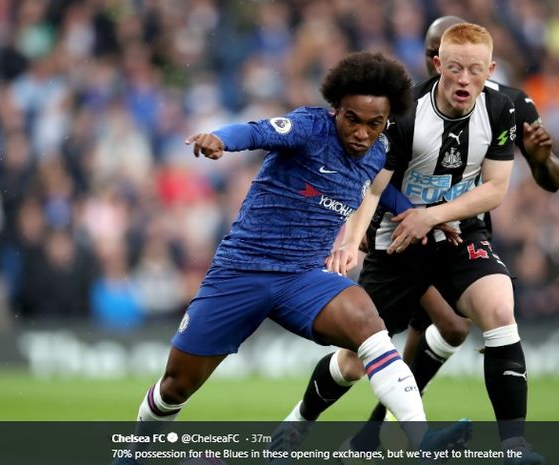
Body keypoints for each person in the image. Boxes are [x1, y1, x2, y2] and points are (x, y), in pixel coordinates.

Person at [110, 51, 469, 465]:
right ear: (337, 110)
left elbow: (377, 190)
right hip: (242, 271)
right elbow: (257, 131)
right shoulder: (309, 127)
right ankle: (135, 454)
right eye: (353, 118)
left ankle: (419, 440)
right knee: (177, 384)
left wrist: (418, 214)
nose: (361, 133)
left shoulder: (377, 151)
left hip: (303, 278)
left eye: (375, 124)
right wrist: (221, 140)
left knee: (370, 325)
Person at [280, 22, 545, 464]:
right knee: (353, 362)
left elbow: (496, 189)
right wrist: (349, 240)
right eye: (455, 68)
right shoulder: (407, 115)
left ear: (490, 69)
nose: (464, 80)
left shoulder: (502, 110)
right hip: (398, 240)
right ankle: (297, 423)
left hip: (459, 234)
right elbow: (373, 187)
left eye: (475, 71)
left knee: (499, 309)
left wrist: (435, 216)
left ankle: (514, 446)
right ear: (438, 64)